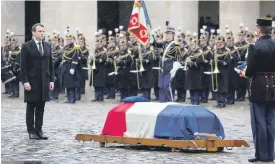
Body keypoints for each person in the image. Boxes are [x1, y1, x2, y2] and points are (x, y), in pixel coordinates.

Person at [245, 17, 275, 163]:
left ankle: (262, 155)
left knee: (259, 122)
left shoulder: (255, 47)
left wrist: (244, 72)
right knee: (270, 121)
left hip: (258, 87)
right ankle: (270, 153)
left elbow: (249, 71)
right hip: (273, 86)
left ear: (259, 30)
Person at [20, 23, 54, 140]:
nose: (42, 33)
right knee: (31, 106)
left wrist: (52, 80)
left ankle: (39, 130)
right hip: (31, 81)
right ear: (33, 33)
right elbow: (23, 66)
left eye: (43, 31)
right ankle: (31, 131)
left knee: (41, 107)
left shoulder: (48, 46)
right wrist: (25, 81)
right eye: (40, 31)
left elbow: (50, 65)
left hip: (44, 81)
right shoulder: (27, 46)